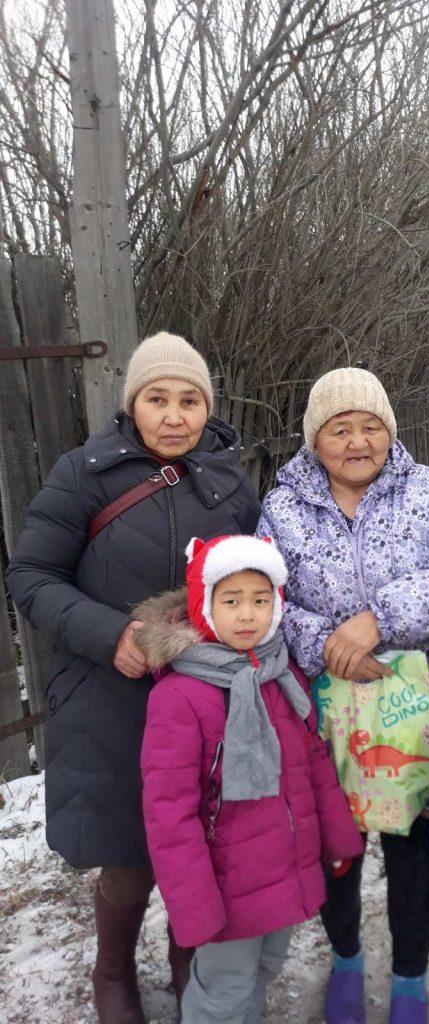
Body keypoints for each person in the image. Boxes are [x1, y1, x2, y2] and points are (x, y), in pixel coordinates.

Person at [7, 333, 260, 1023]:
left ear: (207, 407)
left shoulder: (230, 482)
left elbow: (254, 579)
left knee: (200, 837)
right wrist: (108, 634)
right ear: (132, 404)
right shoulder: (83, 474)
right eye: (157, 399)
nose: (174, 416)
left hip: (204, 697)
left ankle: (186, 957)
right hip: (109, 693)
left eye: (189, 401)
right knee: (129, 848)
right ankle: (113, 969)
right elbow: (31, 575)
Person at [257, 367, 429, 1024]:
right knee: (338, 844)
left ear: (389, 430)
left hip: (419, 711)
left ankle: (410, 976)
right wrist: (330, 645)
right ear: (315, 439)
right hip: (328, 712)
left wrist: (379, 620)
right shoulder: (282, 509)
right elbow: (266, 599)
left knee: (415, 850)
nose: (358, 442)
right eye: (340, 429)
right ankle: (348, 960)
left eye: (370, 426)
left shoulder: (427, 489)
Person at [137, 534, 364, 1024]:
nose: (247, 615)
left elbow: (314, 762)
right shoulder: (180, 697)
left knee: (264, 971)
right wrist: (193, 904)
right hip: (225, 886)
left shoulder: (282, 674)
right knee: (224, 992)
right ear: (205, 606)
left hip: (286, 868)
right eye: (231, 601)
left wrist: (338, 838)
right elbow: (169, 814)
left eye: (260, 601)